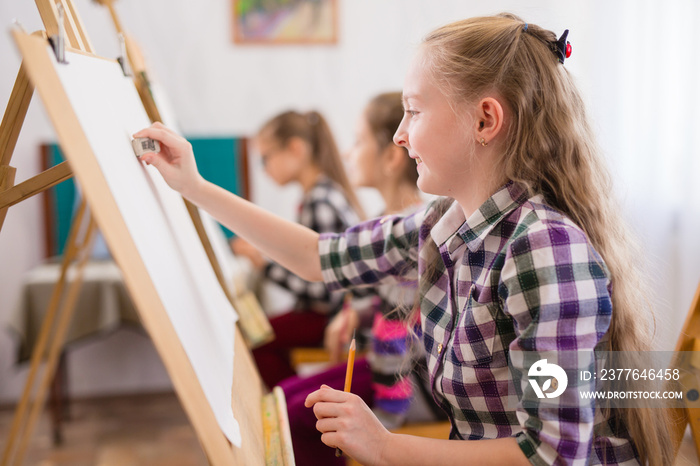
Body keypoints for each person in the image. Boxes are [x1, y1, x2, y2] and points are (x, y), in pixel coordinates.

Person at [135, 13, 673, 466]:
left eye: (413, 111)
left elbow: (551, 452)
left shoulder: (544, 249)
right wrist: (194, 185)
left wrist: (385, 446)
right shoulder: (442, 224)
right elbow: (316, 256)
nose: (399, 134)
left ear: (485, 120)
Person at [278, 92, 445, 466]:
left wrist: (381, 430)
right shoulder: (386, 220)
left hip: (407, 379)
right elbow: (396, 304)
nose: (350, 153)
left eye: (358, 141)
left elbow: (413, 329)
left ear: (390, 157)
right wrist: (359, 315)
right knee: (288, 402)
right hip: (387, 365)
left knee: (301, 412)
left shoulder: (416, 227)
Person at [232, 110, 366, 389]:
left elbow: (323, 288)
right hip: (326, 312)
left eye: (266, 157)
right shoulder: (320, 194)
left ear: (296, 149)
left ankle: (295, 401)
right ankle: (294, 396)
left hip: (329, 315)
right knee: (258, 334)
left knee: (255, 339)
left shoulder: (319, 201)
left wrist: (263, 264)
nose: (264, 168)